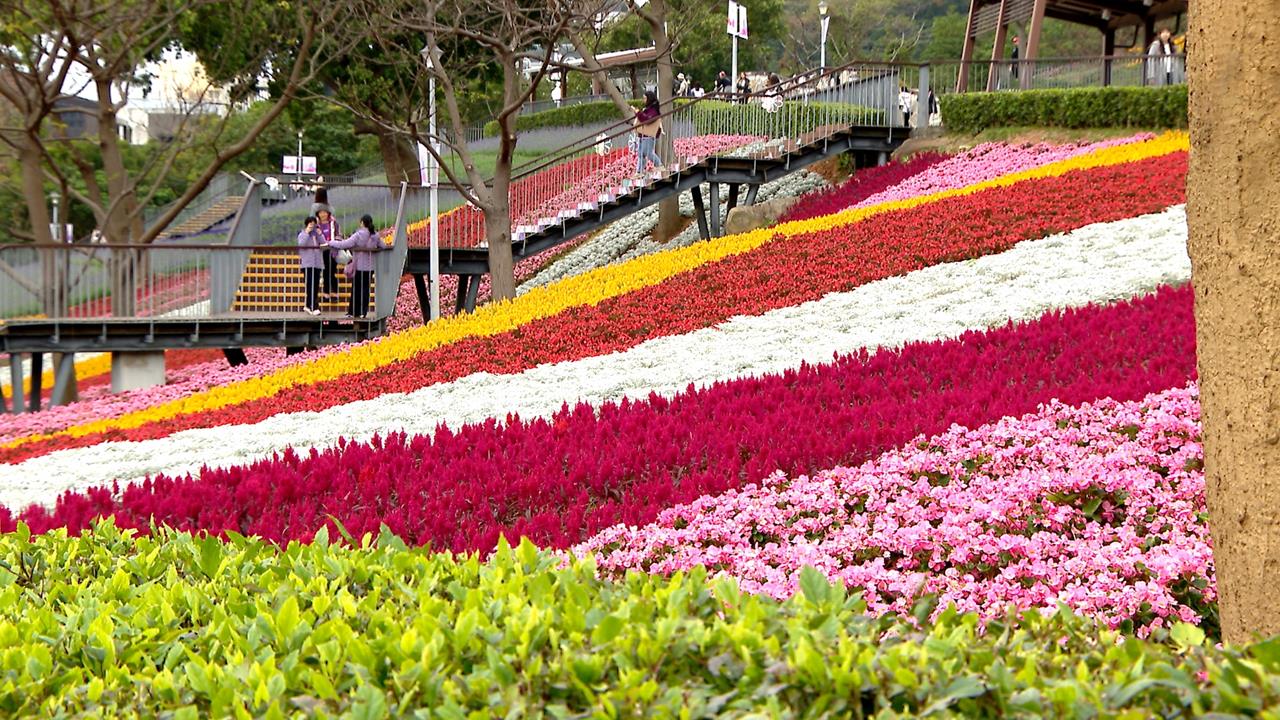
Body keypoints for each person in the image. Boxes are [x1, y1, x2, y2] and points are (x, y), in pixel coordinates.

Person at [328, 214, 379, 319]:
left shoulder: (358, 235)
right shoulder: (375, 236)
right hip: (370, 267)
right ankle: (363, 312)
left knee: (356, 289)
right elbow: (382, 246)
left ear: (362, 223)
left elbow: (344, 244)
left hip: (359, 266)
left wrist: (331, 242)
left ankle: (353, 312)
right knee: (366, 289)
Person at [311, 189, 340, 303]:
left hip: (331, 249)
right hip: (321, 250)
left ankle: (333, 292)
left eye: (325, 212)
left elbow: (338, 234)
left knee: (331, 271)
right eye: (321, 212)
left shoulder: (333, 223)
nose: (323, 214)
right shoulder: (316, 225)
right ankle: (326, 293)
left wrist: (336, 244)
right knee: (325, 271)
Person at [296, 216, 324, 316]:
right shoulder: (303, 234)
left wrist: (320, 233)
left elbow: (324, 243)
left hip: (317, 263)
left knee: (315, 286)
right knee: (310, 285)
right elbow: (301, 244)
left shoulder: (316, 234)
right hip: (307, 264)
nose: (312, 225)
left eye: (314, 223)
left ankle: (308, 306)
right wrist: (307, 231)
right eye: (310, 223)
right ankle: (314, 306)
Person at [632, 89, 664, 179]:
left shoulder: (653, 110)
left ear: (649, 99)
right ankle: (639, 171)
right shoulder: (648, 109)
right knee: (641, 154)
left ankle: (659, 165)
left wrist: (638, 113)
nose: (643, 100)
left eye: (645, 98)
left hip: (648, 135)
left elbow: (646, 120)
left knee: (648, 153)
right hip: (643, 135)